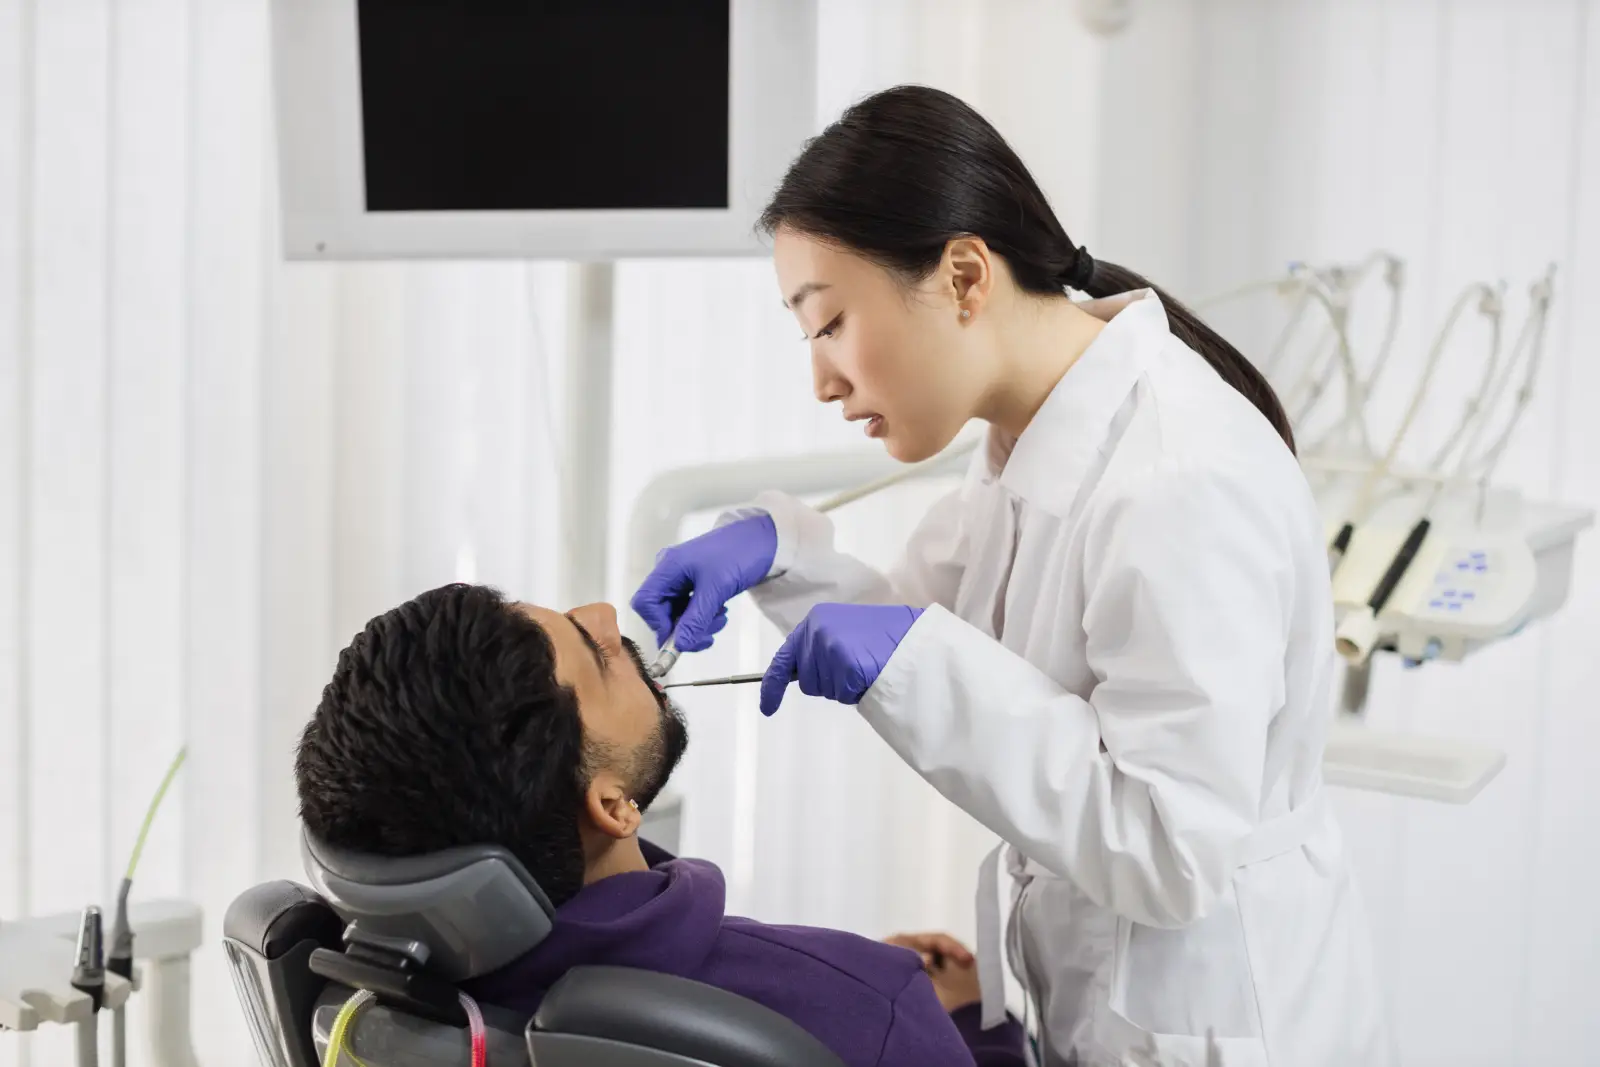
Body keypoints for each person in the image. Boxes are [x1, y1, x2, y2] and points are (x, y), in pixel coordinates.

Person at [632, 86, 1394, 1066]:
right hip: (1092, 1002)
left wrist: (907, 659)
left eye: (827, 325)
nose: (820, 378)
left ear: (961, 274)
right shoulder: (1025, 444)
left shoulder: (1177, 477)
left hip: (1222, 1020)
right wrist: (778, 559)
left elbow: (1173, 843)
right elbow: (919, 625)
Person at [294, 582, 1027, 1067]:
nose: (608, 617)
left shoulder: (374, 1017)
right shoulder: (870, 1005)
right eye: (596, 655)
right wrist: (968, 1026)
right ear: (613, 805)